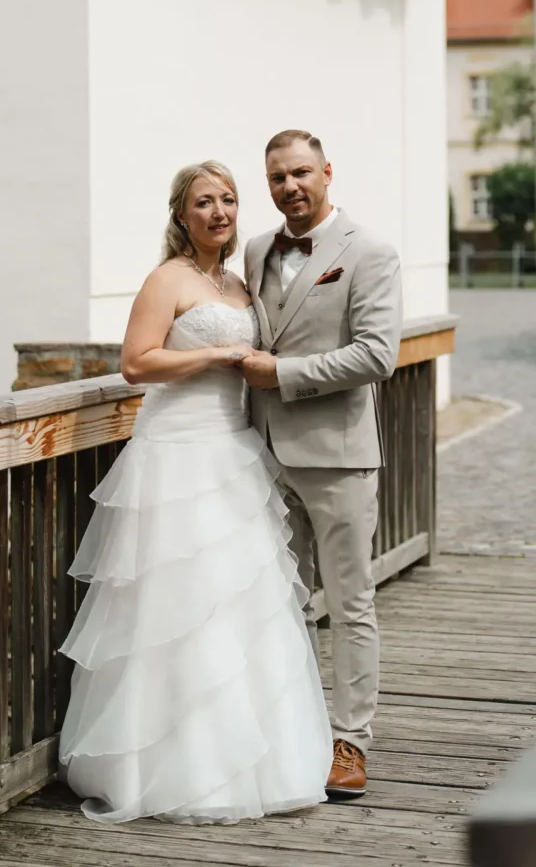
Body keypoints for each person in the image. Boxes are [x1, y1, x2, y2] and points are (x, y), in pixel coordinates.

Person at [58, 160, 332, 824]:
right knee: (176, 603)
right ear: (182, 215)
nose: (219, 212)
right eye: (204, 202)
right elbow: (135, 363)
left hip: (232, 453)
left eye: (228, 200)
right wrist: (213, 356)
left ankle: (252, 757)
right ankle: (167, 764)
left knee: (240, 601)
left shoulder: (237, 283)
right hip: (176, 456)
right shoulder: (167, 279)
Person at [241, 129, 402, 799]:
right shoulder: (255, 250)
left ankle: (350, 740)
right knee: (284, 602)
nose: (290, 187)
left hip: (338, 458)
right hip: (263, 456)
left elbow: (377, 355)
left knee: (350, 602)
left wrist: (282, 375)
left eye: (301, 173)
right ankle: (298, 727)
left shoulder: (369, 251)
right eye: (278, 178)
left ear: (327, 172)